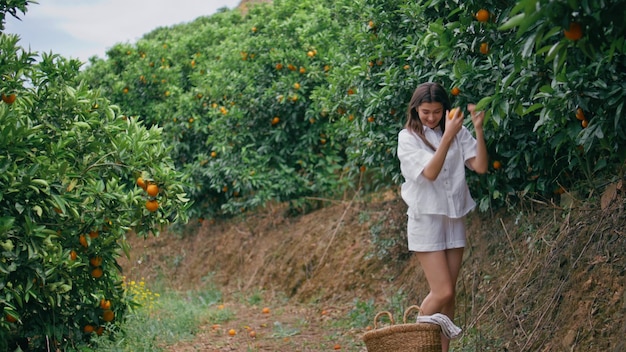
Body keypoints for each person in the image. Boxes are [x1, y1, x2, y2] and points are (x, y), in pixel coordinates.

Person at [396, 82, 488, 351]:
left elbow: (480, 166)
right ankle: (414, 343)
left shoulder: (457, 132)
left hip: (453, 217)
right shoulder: (408, 138)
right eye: (426, 112)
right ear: (415, 109)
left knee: (450, 296)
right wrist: (448, 136)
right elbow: (431, 173)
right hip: (427, 220)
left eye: (437, 111)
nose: (432, 117)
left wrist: (478, 129)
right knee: (442, 291)